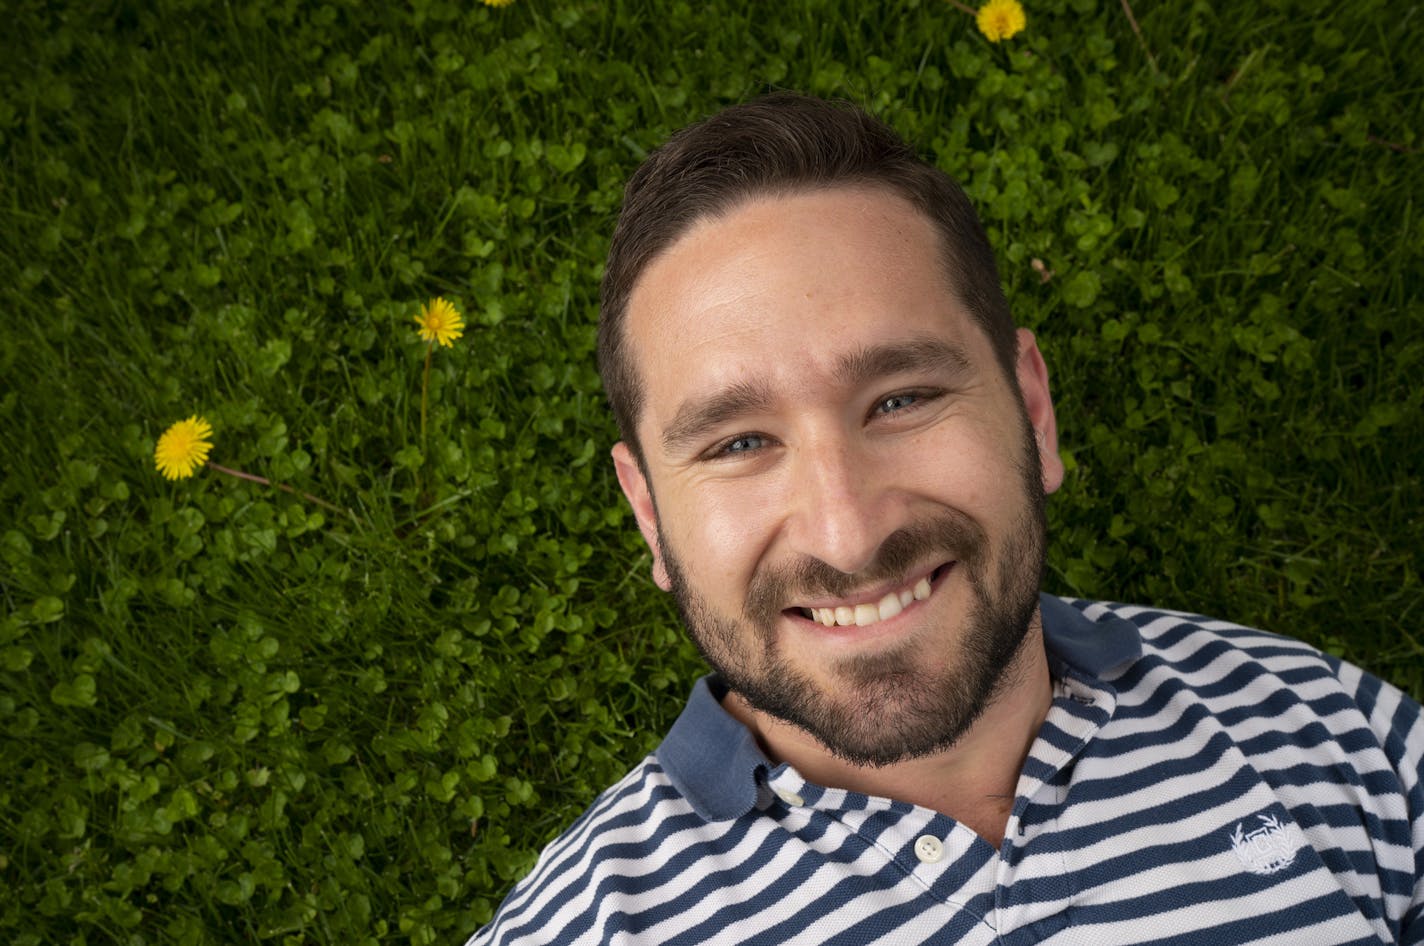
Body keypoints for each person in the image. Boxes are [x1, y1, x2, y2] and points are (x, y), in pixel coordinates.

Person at [466, 93, 1423, 945]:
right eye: (739, 444)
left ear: (1032, 410)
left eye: (901, 398)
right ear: (648, 514)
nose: (846, 534)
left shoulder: (1328, 734)